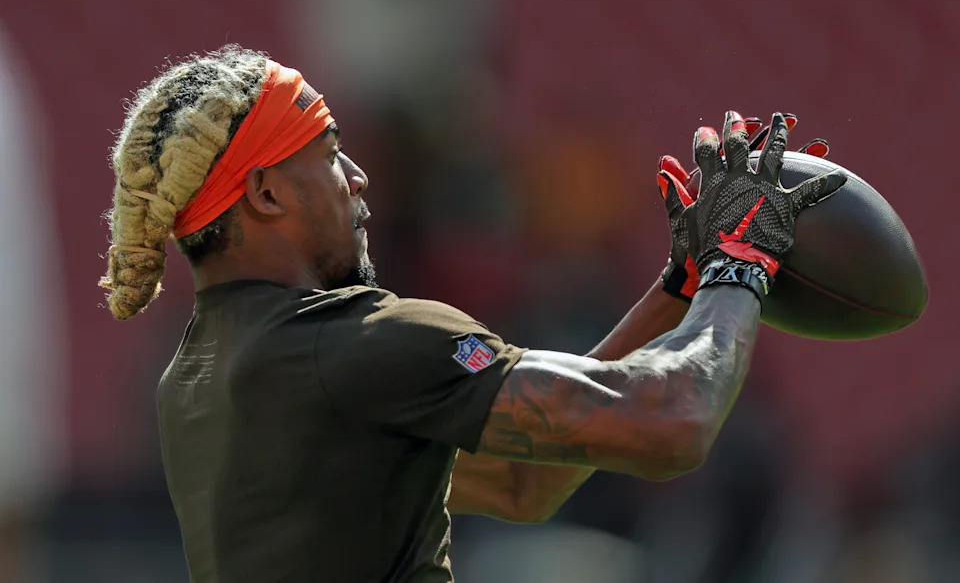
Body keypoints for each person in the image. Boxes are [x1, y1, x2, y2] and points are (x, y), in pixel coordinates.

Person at [99, 45, 845, 582]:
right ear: (264, 194)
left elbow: (526, 482)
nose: (357, 179)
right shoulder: (365, 342)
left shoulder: (195, 375)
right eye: (328, 154)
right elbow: (671, 420)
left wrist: (676, 290)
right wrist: (740, 266)